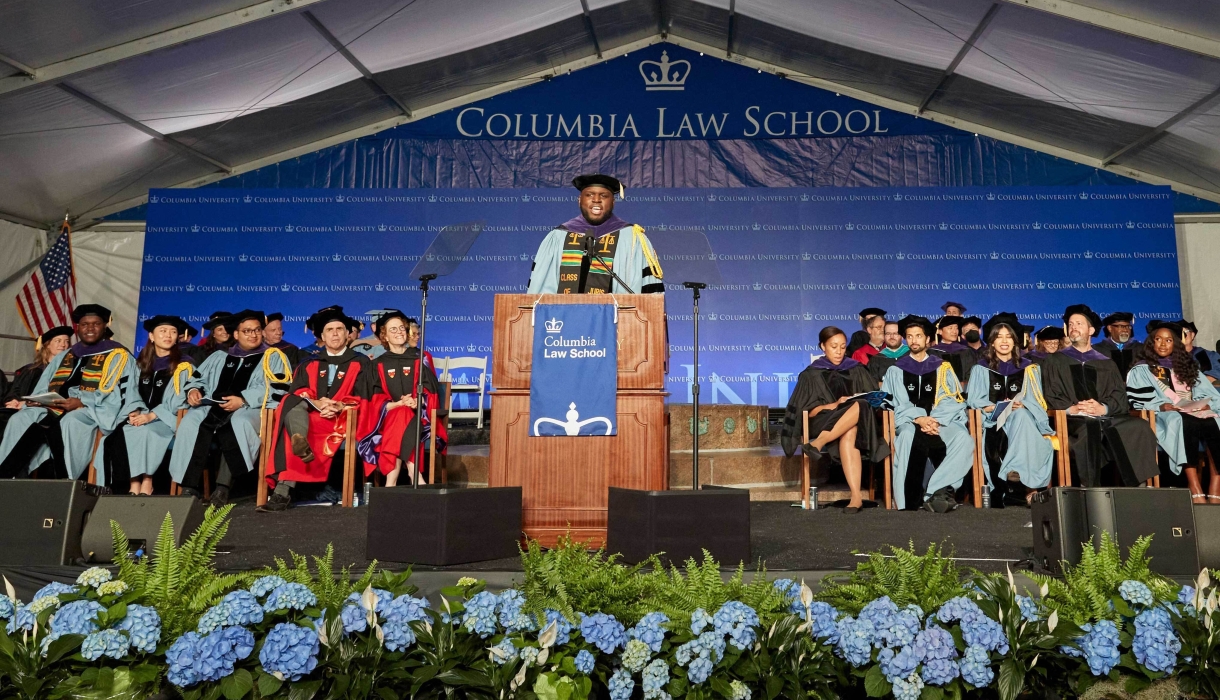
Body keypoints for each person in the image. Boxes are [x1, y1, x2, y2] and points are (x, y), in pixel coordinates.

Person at [0, 305, 138, 480]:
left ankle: (63, 481)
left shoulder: (119, 356)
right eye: (84, 324)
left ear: (105, 326)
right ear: (77, 328)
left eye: (96, 324)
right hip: (53, 406)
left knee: (70, 421)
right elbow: (44, 385)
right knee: (21, 418)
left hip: (92, 409)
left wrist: (82, 402)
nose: (89, 328)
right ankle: (8, 478)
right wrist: (38, 400)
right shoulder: (65, 355)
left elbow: (119, 393)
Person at [169, 310, 292, 506]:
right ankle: (189, 487)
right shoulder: (219, 356)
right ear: (236, 334)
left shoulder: (272, 356)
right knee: (191, 421)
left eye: (257, 330)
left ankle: (223, 488)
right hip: (214, 406)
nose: (253, 335)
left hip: (251, 408)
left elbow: (279, 387)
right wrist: (193, 390)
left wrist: (243, 399)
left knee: (237, 422)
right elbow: (198, 379)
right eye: (247, 331)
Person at [262, 307, 374, 512]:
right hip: (311, 411)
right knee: (291, 404)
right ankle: (298, 441)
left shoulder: (361, 362)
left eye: (340, 329)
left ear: (348, 334)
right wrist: (318, 402)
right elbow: (299, 390)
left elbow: (365, 396)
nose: (335, 333)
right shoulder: (310, 362)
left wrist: (339, 405)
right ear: (322, 336)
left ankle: (281, 492)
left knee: (296, 424)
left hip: (342, 417)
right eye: (329, 329)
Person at [1040, 304, 1158, 486]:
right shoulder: (1055, 361)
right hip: (1072, 420)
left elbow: (1119, 395)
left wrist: (1103, 408)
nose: (1073, 327)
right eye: (1070, 324)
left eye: (1079, 323)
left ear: (1091, 330)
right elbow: (1051, 393)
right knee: (1091, 429)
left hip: (1105, 416)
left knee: (1139, 426)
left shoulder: (1106, 363)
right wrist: (1074, 408)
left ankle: (1137, 487)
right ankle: (1091, 488)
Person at [781, 327, 889, 513]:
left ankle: (855, 497)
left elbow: (874, 400)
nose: (839, 352)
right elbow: (807, 411)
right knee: (857, 409)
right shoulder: (811, 374)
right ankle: (855, 496)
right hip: (822, 420)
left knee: (858, 411)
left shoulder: (856, 369)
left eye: (842, 346)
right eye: (833, 346)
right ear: (823, 346)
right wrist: (835, 405)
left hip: (854, 422)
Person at [881, 315, 974, 512]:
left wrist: (935, 420)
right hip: (909, 420)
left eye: (918, 336)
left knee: (962, 438)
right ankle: (909, 500)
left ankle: (936, 490)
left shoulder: (942, 368)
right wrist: (919, 418)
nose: (914, 340)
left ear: (928, 340)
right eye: (910, 336)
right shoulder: (896, 370)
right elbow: (895, 402)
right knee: (907, 435)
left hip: (940, 420)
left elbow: (952, 399)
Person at [966, 313, 1054, 507]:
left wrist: (1024, 405)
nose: (1004, 341)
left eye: (1008, 337)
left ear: (1015, 341)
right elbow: (973, 401)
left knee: (1022, 414)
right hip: (994, 418)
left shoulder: (1030, 368)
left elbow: (1036, 401)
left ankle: (1016, 470)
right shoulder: (980, 369)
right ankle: (1030, 488)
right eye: (999, 337)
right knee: (1022, 419)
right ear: (992, 342)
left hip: (1023, 418)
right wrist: (998, 407)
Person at [1127, 321, 1220, 503]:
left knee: (1217, 420)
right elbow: (1137, 400)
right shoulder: (1142, 369)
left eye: (1168, 340)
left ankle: (1215, 486)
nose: (1163, 344)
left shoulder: (1188, 366)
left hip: (1195, 411)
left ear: (1175, 343)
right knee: (1181, 420)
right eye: (1158, 339)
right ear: (1151, 342)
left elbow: (1209, 394)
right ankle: (1194, 486)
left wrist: (1205, 405)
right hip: (1164, 415)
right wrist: (1161, 405)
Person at [100, 316, 195, 495]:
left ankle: (148, 481)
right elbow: (131, 393)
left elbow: (178, 400)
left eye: (173, 332)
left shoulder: (184, 365)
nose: (168, 335)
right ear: (151, 336)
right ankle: (133, 482)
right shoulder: (140, 364)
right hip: (142, 416)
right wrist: (135, 411)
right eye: (163, 331)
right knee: (126, 431)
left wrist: (152, 416)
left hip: (168, 419)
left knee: (147, 432)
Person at [527, 174, 663, 295]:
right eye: (589, 195)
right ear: (579, 200)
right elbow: (538, 289)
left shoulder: (634, 239)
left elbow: (651, 295)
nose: (596, 199)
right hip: (563, 321)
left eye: (604, 195)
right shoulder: (558, 237)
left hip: (619, 321)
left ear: (613, 202)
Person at [358, 311, 448, 487]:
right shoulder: (377, 364)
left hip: (420, 415)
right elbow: (373, 398)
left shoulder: (418, 359)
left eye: (401, 328)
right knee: (400, 413)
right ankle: (415, 474)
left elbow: (431, 392)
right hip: (387, 416)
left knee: (404, 414)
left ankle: (390, 481)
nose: (399, 332)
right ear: (384, 335)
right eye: (393, 329)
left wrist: (417, 401)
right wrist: (397, 404)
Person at [0, 326, 73, 439]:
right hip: (19, 408)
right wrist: (13, 400)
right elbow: (15, 389)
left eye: (66, 341)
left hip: (48, 411)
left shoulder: (69, 371)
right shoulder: (31, 370)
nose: (63, 345)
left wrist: (26, 404)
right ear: (47, 345)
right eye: (58, 341)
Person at [930, 316, 975, 387]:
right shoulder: (932, 352)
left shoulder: (965, 350)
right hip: (940, 393)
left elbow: (971, 373)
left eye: (956, 328)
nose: (954, 331)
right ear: (940, 331)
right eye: (950, 328)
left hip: (963, 392)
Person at [1093, 311, 1138, 378]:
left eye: (1128, 326)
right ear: (1110, 328)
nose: (1125, 330)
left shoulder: (1140, 349)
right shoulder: (1097, 350)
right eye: (1121, 326)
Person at [1177, 319, 1220, 385]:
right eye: (1179, 332)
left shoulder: (1208, 355)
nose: (1183, 335)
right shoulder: (1169, 357)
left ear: (1192, 335)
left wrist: (1209, 377)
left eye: (1186, 331)